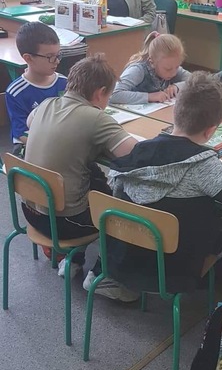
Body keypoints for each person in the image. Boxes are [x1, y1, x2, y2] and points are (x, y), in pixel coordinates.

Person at [91, 71, 222, 295]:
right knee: (218, 234)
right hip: (174, 272)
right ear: (211, 131)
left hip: (122, 259)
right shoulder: (203, 165)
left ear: (175, 112)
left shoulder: (139, 151)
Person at [23, 55, 138, 300]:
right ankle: (102, 275)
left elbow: (30, 122)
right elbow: (135, 154)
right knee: (121, 206)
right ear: (100, 93)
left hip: (31, 213)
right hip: (65, 224)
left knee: (92, 175)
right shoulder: (96, 118)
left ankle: (72, 259)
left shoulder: (47, 103)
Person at [5, 22, 68, 155]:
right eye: (50, 57)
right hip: (29, 146)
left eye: (58, 55)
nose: (57, 61)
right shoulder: (16, 92)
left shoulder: (64, 82)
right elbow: (22, 133)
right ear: (28, 58)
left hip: (61, 140)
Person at [110, 31, 190, 105]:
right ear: (152, 62)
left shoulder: (171, 66)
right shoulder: (138, 70)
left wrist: (177, 86)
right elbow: (114, 94)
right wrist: (150, 96)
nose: (173, 73)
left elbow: (194, 81)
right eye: (168, 69)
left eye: (177, 67)